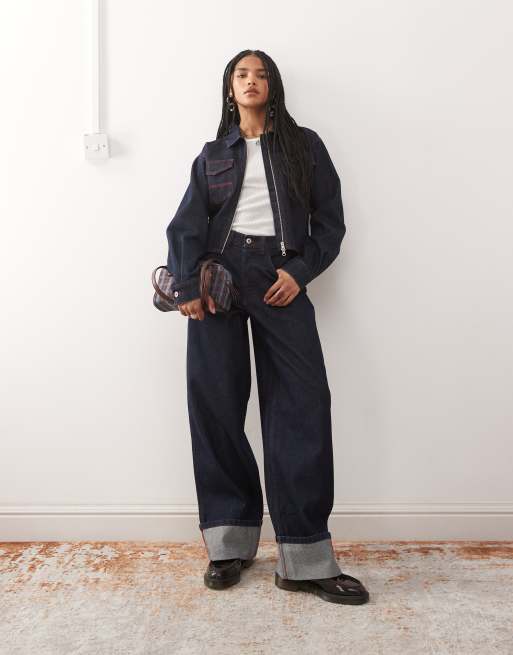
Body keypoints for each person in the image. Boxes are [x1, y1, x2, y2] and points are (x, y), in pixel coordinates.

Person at [165, 49, 369, 605]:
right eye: (241, 74)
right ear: (229, 89)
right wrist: (187, 287)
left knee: (303, 405)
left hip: (280, 278)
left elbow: (330, 222)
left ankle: (305, 559)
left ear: (273, 86)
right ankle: (229, 544)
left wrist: (299, 273)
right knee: (215, 404)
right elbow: (186, 224)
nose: (251, 81)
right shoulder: (212, 155)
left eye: (260, 74)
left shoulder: (305, 146)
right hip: (218, 279)